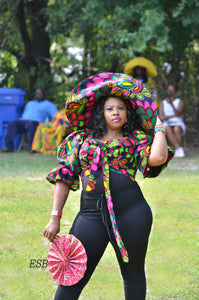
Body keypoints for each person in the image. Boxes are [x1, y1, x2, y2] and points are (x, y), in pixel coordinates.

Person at [43, 73, 174, 300]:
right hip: (91, 214)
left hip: (132, 211)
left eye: (121, 108)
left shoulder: (136, 140)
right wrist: (55, 217)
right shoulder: (81, 140)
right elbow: (64, 178)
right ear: (100, 113)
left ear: (128, 113)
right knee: (72, 274)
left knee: (133, 275)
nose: (115, 112)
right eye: (110, 108)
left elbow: (157, 159)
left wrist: (158, 126)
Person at [159, 84, 186, 157]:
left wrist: (171, 104)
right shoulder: (163, 102)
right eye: (168, 90)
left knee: (177, 129)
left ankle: (178, 150)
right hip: (167, 122)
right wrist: (174, 116)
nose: (169, 91)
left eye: (171, 90)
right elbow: (161, 116)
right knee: (167, 128)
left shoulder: (179, 101)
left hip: (178, 122)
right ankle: (179, 149)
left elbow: (178, 113)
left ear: (175, 92)